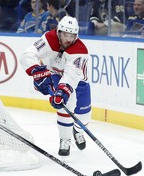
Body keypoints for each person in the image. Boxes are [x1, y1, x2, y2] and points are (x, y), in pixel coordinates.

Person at [19, 16, 91, 156]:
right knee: (66, 102)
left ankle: (78, 130)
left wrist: (63, 90)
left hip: (78, 79)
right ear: (58, 32)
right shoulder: (49, 39)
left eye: (72, 35)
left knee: (84, 115)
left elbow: (71, 75)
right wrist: (37, 71)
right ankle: (65, 140)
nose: (68, 39)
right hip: (55, 74)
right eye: (65, 34)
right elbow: (27, 55)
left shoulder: (80, 50)